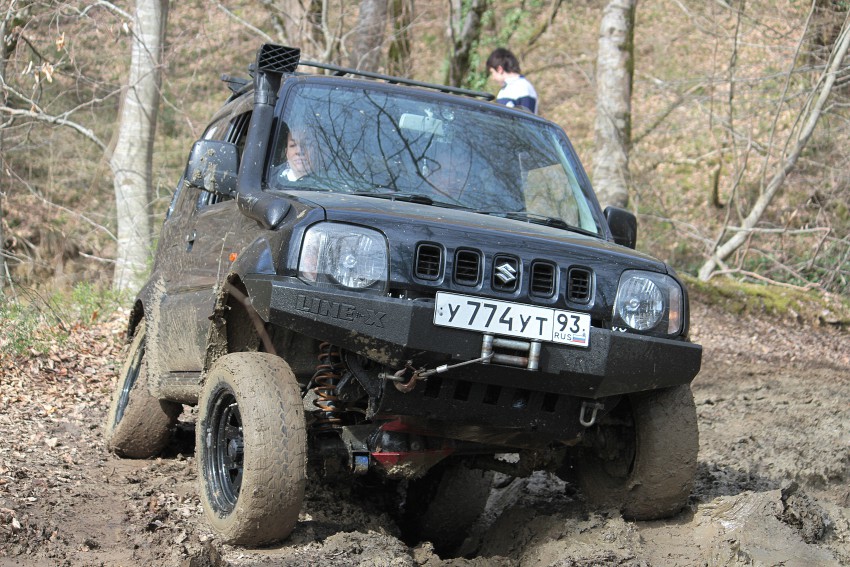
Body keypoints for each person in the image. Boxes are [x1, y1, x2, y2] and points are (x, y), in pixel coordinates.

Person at [486, 48, 538, 114]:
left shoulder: (524, 88)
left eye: (492, 72)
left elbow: (527, 118)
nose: (493, 78)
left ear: (499, 69)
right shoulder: (505, 90)